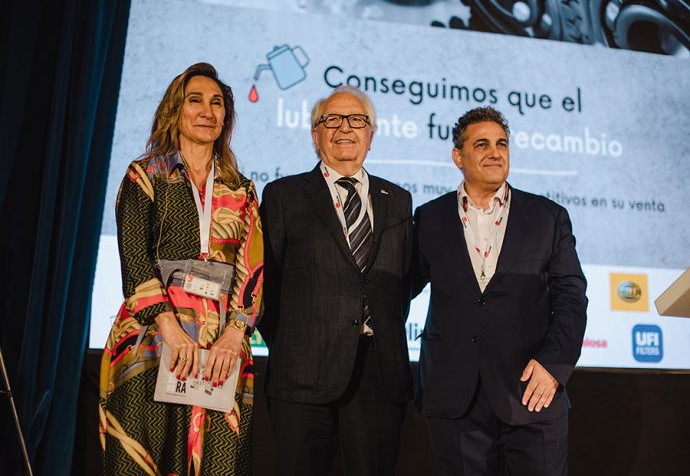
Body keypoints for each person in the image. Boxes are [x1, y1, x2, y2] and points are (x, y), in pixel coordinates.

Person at [99, 62, 264, 475]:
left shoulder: (241, 188)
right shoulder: (146, 175)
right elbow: (135, 260)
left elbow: (253, 267)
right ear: (176, 110)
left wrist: (234, 333)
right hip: (153, 337)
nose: (208, 111)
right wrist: (170, 328)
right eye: (196, 101)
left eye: (218, 103)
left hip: (223, 347)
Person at [412, 106, 587, 475]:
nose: (495, 152)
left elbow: (572, 298)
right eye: (482, 144)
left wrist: (554, 365)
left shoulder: (547, 217)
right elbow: (398, 289)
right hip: (455, 398)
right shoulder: (428, 218)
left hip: (532, 392)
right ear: (458, 156)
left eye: (502, 143)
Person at [258, 86, 413, 476]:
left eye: (357, 120)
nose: (345, 128)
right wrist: (295, 341)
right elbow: (265, 284)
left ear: (371, 135)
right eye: (332, 119)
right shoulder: (283, 195)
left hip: (379, 375)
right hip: (302, 375)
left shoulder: (398, 199)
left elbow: (402, 283)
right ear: (315, 134)